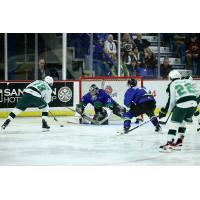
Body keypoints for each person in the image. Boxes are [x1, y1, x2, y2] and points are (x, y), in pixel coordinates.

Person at [158, 70, 197, 152]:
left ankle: (169, 144)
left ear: (171, 78)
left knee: (174, 124)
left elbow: (171, 100)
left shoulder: (172, 84)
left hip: (183, 104)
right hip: (194, 103)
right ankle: (179, 143)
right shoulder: (186, 81)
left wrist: (165, 111)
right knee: (182, 123)